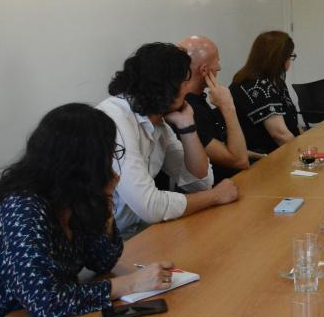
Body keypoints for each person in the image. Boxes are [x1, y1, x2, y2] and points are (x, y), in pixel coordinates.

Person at [0, 104, 175, 317]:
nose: (112, 164)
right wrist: (130, 284)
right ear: (82, 163)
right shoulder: (22, 209)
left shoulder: (72, 198)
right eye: (108, 155)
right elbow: (46, 301)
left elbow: (103, 261)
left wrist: (106, 203)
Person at [98, 43, 239, 236]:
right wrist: (214, 197)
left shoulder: (158, 119)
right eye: (185, 83)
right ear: (167, 88)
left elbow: (199, 183)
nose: (189, 90)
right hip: (109, 242)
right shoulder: (115, 120)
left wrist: (187, 127)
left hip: (140, 233)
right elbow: (150, 207)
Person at [177, 36, 250, 180]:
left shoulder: (196, 99)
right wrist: (228, 107)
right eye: (217, 61)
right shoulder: (187, 110)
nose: (219, 67)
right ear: (204, 70)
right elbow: (239, 161)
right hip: (216, 189)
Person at [230, 30, 301, 154]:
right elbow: (279, 135)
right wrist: (304, 153)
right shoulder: (255, 86)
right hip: (263, 158)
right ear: (278, 58)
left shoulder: (275, 81)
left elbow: (292, 122)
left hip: (283, 151)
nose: (290, 60)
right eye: (290, 56)